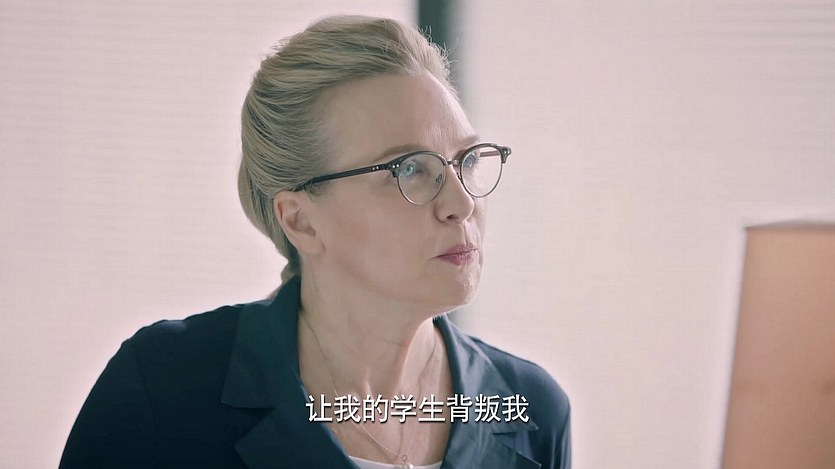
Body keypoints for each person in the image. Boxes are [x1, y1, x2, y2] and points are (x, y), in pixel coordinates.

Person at [60, 15, 571, 469]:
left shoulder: (532, 410)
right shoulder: (166, 387)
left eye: (466, 160)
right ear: (301, 221)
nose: (460, 203)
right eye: (410, 169)